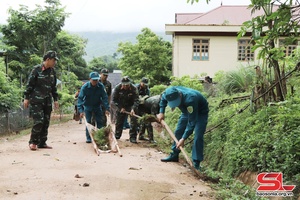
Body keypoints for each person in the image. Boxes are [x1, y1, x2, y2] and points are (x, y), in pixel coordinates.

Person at [157, 86, 209, 170]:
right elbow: (163, 100)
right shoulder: (168, 93)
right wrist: (161, 112)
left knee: (198, 135)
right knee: (178, 131)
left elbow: (192, 122)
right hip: (186, 112)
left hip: (200, 113)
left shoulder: (191, 98)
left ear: (180, 96)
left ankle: (196, 162)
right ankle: (174, 154)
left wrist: (183, 138)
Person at [24, 50, 59, 151]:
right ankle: (33, 142)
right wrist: (26, 98)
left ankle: (42, 142)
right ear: (47, 59)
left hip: (47, 100)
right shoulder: (36, 70)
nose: (55, 62)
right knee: (39, 121)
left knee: (46, 121)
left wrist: (55, 99)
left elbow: (54, 87)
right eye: (53, 60)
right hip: (36, 100)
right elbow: (29, 85)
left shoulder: (52, 71)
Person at [77, 72, 110, 143]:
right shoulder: (85, 87)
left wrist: (107, 108)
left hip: (97, 106)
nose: (95, 82)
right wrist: (81, 111)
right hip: (87, 106)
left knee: (100, 122)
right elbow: (80, 99)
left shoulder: (101, 86)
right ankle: (89, 138)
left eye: (97, 80)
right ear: (90, 79)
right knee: (88, 122)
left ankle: (100, 136)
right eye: (94, 80)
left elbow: (104, 97)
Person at [112, 76, 139, 143]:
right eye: (124, 85)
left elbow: (136, 100)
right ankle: (117, 135)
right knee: (119, 121)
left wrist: (133, 109)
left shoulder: (134, 88)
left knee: (134, 121)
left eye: (127, 85)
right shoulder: (117, 88)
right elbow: (114, 100)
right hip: (121, 105)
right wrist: (120, 107)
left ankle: (133, 137)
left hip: (131, 105)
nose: (126, 86)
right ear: (122, 84)